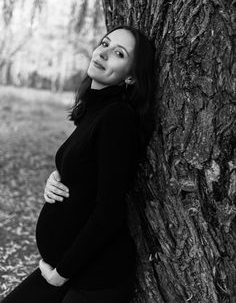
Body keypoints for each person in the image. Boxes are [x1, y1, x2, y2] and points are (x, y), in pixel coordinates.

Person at [2, 25, 156, 303]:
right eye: (105, 44)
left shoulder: (117, 117)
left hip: (94, 277)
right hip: (66, 268)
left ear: (131, 77)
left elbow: (109, 211)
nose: (104, 53)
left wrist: (62, 272)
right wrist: (57, 177)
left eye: (119, 53)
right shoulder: (94, 109)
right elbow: (87, 170)